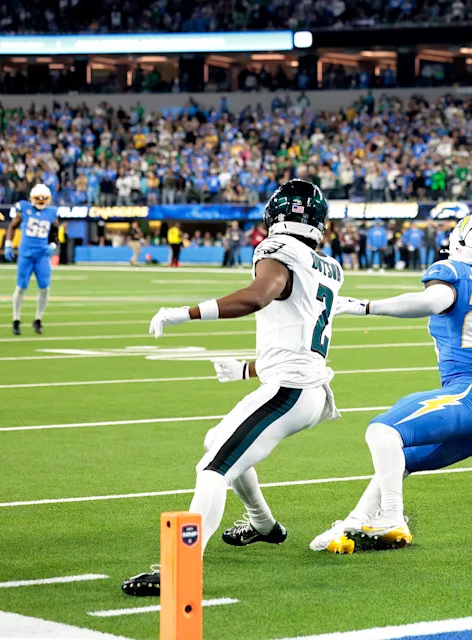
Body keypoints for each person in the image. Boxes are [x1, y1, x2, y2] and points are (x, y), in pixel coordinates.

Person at [122, 180, 342, 596]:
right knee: (215, 441)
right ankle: (263, 524)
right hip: (305, 388)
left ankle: (179, 569)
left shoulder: (279, 249)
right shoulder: (329, 266)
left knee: (212, 470)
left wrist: (185, 313)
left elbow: (257, 297)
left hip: (290, 391)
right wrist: (247, 369)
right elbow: (298, 337)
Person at [310, 212, 472, 553]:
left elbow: (431, 302)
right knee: (403, 457)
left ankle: (393, 516)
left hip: (471, 394)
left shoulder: (453, 272)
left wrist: (363, 306)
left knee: (382, 431)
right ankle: (354, 521)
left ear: (458, 242)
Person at [4, 184, 58, 336]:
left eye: (44, 198)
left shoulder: (52, 213)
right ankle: (16, 319)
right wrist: (8, 244)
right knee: (21, 287)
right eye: (38, 198)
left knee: (45, 288)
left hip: (42, 255)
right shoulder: (25, 209)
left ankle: (38, 319)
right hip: (26, 254)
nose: (41, 201)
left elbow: (55, 233)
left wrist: (53, 244)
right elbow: (12, 226)